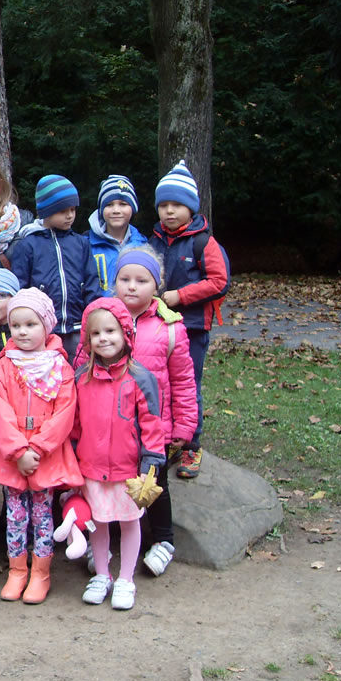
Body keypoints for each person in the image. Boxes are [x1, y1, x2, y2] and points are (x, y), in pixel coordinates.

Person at [0, 288, 83, 604]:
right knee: (15, 514)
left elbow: (64, 412)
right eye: (16, 325)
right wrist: (18, 451)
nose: (22, 332)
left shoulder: (60, 367)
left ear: (46, 326)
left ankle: (41, 573)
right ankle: (17, 571)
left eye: (31, 324)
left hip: (44, 454)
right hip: (13, 455)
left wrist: (37, 449)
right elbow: (1, 411)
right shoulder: (4, 366)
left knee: (43, 515)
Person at [73, 298, 165, 611]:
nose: (103, 338)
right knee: (97, 523)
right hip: (91, 468)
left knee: (129, 522)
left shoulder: (140, 377)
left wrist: (151, 462)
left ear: (125, 332)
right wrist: (72, 461)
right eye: (96, 333)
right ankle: (102, 574)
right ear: (88, 339)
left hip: (129, 471)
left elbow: (152, 423)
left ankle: (126, 578)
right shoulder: (81, 378)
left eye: (110, 331)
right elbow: (75, 426)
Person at [113, 246, 198, 577]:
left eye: (142, 280)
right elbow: (83, 371)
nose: (132, 286)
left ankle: (163, 541)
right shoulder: (102, 319)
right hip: (112, 426)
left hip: (153, 429)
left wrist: (184, 426)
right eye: (125, 279)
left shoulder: (170, 328)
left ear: (157, 285)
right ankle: (105, 542)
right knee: (109, 484)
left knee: (155, 485)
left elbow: (184, 381)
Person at [149, 160, 230, 479]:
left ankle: (191, 446)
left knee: (188, 385)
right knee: (163, 384)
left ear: (191, 208)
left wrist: (180, 296)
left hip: (193, 327)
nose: (169, 211)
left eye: (177, 205)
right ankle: (170, 440)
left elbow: (219, 282)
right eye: (163, 205)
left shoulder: (202, 242)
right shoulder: (154, 239)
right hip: (159, 327)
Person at [12, 174, 101, 363]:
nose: (70, 216)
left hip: (78, 327)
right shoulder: (28, 245)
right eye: (62, 211)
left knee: (80, 371)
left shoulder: (81, 244)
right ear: (46, 211)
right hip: (43, 331)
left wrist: (94, 317)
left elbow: (92, 283)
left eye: (73, 209)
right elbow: (20, 288)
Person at [86, 175, 146, 296]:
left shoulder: (143, 245)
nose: (116, 210)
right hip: (97, 307)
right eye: (109, 205)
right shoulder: (86, 245)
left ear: (133, 208)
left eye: (123, 204)